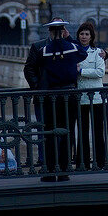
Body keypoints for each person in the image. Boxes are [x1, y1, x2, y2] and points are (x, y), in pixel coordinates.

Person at [23, 18, 87, 181]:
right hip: (69, 95)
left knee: (49, 133)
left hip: (50, 96)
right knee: (67, 132)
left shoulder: (44, 50)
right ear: (63, 31)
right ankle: (65, 170)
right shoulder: (72, 47)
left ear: (50, 32)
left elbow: (38, 64)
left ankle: (50, 171)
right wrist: (69, 39)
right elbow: (83, 53)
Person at [75, 21, 108, 170]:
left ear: (91, 36)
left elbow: (100, 72)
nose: (84, 37)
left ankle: (100, 162)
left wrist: (81, 72)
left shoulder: (98, 52)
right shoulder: (74, 51)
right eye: (81, 34)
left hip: (96, 97)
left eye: (86, 34)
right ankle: (83, 162)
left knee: (98, 131)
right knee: (82, 132)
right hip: (80, 97)